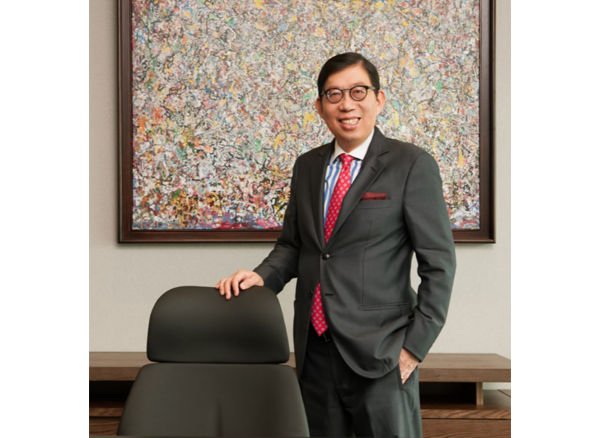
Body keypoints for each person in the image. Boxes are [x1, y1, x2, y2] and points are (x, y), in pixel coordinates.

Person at [216, 52, 456, 438]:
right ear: (320, 106)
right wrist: (261, 277)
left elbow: (439, 263)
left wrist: (414, 347)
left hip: (382, 352)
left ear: (379, 99)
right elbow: (294, 245)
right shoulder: (307, 166)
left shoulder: (411, 164)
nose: (347, 104)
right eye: (334, 94)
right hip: (315, 351)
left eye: (358, 91)